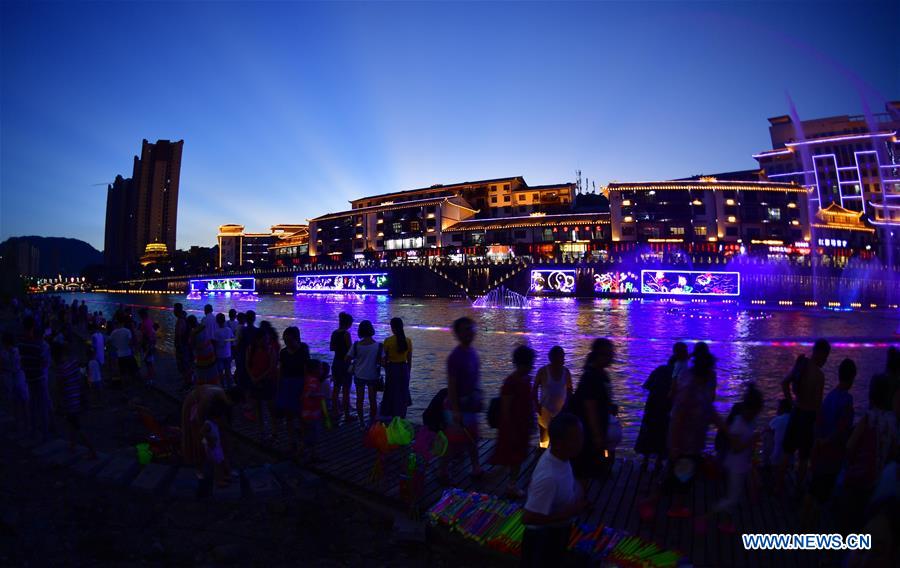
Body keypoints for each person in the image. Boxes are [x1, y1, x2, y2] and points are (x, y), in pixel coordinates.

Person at [662, 342, 722, 518]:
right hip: (685, 439)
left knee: (676, 471)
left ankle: (660, 500)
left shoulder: (698, 377)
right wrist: (673, 444)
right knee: (682, 472)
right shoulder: (691, 384)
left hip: (691, 437)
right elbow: (678, 416)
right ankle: (675, 507)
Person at [521, 413, 587, 568]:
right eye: (576, 439)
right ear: (559, 443)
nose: (582, 442)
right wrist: (569, 512)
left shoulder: (559, 456)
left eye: (581, 436)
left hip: (557, 531)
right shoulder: (549, 478)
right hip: (543, 540)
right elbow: (528, 518)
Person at [840, 368, 899, 533]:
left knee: (847, 524)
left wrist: (850, 463)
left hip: (858, 479)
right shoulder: (893, 422)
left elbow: (850, 446)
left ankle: (835, 557)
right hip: (878, 482)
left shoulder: (868, 418)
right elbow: (894, 453)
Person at [699, 384, 763, 534]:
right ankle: (707, 516)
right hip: (735, 465)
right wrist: (752, 440)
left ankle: (726, 523)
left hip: (742, 464)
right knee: (733, 497)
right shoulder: (738, 423)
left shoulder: (750, 421)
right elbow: (735, 447)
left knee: (735, 494)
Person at [779, 339, 831, 491]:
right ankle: (797, 489)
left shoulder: (801, 365)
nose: (826, 360)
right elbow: (818, 405)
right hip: (808, 418)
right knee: (803, 458)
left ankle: (778, 486)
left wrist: (791, 402)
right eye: (826, 356)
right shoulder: (819, 376)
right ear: (820, 354)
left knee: (787, 453)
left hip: (796, 412)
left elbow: (784, 383)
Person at [807, 358, 856, 514]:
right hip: (833, 456)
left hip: (820, 452)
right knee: (822, 500)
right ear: (853, 378)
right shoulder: (847, 401)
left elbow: (819, 421)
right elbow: (842, 430)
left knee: (813, 492)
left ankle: (802, 527)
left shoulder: (830, 396)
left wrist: (819, 443)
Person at [440, 317, 483, 483]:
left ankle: (476, 467)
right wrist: (456, 410)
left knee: (472, 439)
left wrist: (479, 395)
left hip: (470, 404)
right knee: (453, 443)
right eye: (465, 330)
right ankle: (443, 471)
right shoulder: (455, 357)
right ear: (457, 334)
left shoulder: (473, 353)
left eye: (471, 329)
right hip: (456, 407)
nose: (470, 333)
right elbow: (451, 385)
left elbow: (475, 378)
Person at [567, 338, 616, 484]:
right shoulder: (591, 376)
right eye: (609, 354)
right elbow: (590, 408)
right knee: (583, 470)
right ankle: (580, 500)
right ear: (600, 355)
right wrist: (597, 436)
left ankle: (582, 498)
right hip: (587, 432)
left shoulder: (600, 374)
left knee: (586, 470)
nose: (612, 357)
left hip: (592, 430)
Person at [490, 345, 536, 499]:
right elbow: (506, 408)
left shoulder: (525, 380)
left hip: (522, 426)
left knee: (516, 458)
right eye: (530, 363)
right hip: (513, 428)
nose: (531, 366)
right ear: (521, 364)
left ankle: (511, 484)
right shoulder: (510, 382)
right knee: (509, 458)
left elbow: (528, 403)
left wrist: (531, 420)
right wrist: (510, 429)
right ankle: (503, 483)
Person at [634, 342, 688, 470]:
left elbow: (646, 386)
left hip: (652, 408)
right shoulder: (680, 376)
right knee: (662, 435)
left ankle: (645, 461)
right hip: (667, 409)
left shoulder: (659, 369)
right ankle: (658, 462)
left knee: (648, 434)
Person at [181, 384, 244, 479]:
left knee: (221, 441)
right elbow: (199, 418)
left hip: (209, 416)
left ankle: (224, 467)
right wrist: (207, 436)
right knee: (197, 440)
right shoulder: (209, 397)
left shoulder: (224, 401)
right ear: (229, 398)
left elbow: (227, 424)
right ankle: (199, 468)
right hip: (195, 408)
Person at [53, 340, 97, 459]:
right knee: (73, 424)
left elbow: (59, 388)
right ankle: (72, 445)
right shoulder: (73, 363)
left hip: (70, 401)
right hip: (78, 397)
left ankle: (92, 451)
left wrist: (57, 404)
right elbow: (81, 377)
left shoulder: (60, 369)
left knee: (77, 426)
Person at [275, 326, 309, 455]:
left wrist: (305, 388)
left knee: (301, 416)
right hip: (287, 384)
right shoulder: (283, 353)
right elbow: (281, 370)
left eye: (290, 340)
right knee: (289, 416)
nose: (287, 343)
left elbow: (306, 370)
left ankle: (302, 443)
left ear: (296, 339)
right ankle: (292, 442)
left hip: (299, 384)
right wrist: (279, 387)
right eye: (286, 340)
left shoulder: (303, 350)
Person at [532, 346, 573, 450]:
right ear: (553, 358)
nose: (563, 359)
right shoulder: (543, 371)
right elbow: (535, 388)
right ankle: (542, 454)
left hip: (561, 411)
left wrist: (567, 405)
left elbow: (569, 390)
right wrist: (536, 406)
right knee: (544, 437)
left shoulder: (566, 372)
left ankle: (554, 456)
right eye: (561, 357)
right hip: (545, 409)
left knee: (559, 438)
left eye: (563, 357)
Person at [19, 315, 52, 439]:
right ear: (33, 327)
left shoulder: (21, 344)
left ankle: (33, 430)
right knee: (43, 404)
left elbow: (22, 361)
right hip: (39, 377)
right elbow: (44, 363)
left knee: (32, 403)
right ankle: (45, 432)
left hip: (28, 377)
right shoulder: (38, 345)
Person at [247, 320, 279, 441]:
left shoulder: (270, 349)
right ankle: (262, 430)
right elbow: (247, 364)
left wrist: (255, 378)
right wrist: (254, 378)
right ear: (257, 339)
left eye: (267, 338)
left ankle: (273, 431)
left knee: (270, 408)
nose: (266, 341)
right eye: (264, 339)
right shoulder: (251, 349)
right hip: (258, 380)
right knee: (258, 407)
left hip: (266, 381)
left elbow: (272, 366)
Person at [346, 320, 382, 424]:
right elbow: (383, 362)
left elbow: (347, 359)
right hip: (373, 375)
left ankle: (361, 423)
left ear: (360, 331)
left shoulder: (356, 345)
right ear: (371, 330)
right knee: (373, 400)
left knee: (359, 400)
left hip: (359, 374)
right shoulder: (379, 346)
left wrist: (356, 361)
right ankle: (373, 422)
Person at [380, 317, 412, 419]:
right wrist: (408, 372)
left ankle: (390, 415)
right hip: (404, 368)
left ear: (392, 328)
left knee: (391, 392)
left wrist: (385, 367)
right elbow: (409, 360)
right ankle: (402, 416)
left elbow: (383, 359)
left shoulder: (388, 341)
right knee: (403, 393)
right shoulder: (408, 341)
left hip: (392, 369)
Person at [1, 332, 29, 434]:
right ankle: (26, 423)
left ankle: (19, 424)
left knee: (16, 403)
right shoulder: (17, 351)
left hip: (11, 378)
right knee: (23, 402)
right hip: (19, 376)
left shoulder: (3, 353)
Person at [300, 359, 328, 462]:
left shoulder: (307, 379)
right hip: (312, 414)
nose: (322, 370)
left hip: (306, 413)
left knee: (309, 435)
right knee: (313, 436)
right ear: (315, 370)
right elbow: (309, 394)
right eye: (320, 368)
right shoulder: (313, 381)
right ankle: (309, 455)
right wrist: (321, 395)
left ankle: (309, 453)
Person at [330, 312, 354, 422]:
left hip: (336, 362)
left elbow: (332, 348)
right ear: (348, 323)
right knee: (346, 390)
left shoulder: (334, 333)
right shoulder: (346, 334)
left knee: (336, 388)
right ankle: (347, 415)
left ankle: (335, 412)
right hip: (345, 363)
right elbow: (350, 350)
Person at [202, 398, 229, 488]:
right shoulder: (208, 424)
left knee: (220, 462)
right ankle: (218, 481)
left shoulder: (214, 423)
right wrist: (210, 439)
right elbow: (202, 432)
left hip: (217, 446)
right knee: (217, 464)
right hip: (212, 447)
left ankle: (222, 477)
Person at [190, 315, 219, 385]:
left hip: (201, 358)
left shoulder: (193, 334)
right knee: (212, 374)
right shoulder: (204, 326)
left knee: (202, 376)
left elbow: (193, 346)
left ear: (190, 324)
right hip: (211, 355)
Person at [109, 316, 137, 386]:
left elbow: (110, 342)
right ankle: (129, 383)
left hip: (119, 354)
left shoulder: (113, 332)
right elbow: (130, 342)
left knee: (121, 370)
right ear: (123, 323)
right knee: (129, 369)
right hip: (128, 353)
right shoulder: (127, 331)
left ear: (117, 323)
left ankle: (123, 384)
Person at [766, 399, 792, 469]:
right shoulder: (793, 419)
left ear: (782, 408)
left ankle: (766, 463)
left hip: (778, 456)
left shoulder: (779, 419)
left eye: (779, 407)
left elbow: (766, 429)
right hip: (790, 458)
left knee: (766, 434)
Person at [213, 313, 235, 388]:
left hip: (219, 354)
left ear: (217, 321)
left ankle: (222, 387)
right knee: (228, 370)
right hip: (228, 353)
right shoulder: (228, 330)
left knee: (220, 372)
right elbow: (232, 339)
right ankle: (230, 386)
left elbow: (215, 344)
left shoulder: (216, 332)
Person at [173, 304, 191, 390]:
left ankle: (187, 384)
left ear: (177, 310)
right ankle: (187, 381)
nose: (173, 311)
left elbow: (179, 335)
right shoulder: (184, 319)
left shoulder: (181, 321)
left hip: (182, 347)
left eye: (174, 309)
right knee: (185, 365)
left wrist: (179, 347)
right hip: (185, 346)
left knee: (183, 366)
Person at [138, 308, 157, 385]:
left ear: (142, 315)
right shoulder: (149, 321)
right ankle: (150, 374)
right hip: (150, 344)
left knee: (148, 361)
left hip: (148, 344)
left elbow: (146, 335)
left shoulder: (145, 323)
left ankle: (150, 378)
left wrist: (143, 345)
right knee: (149, 361)